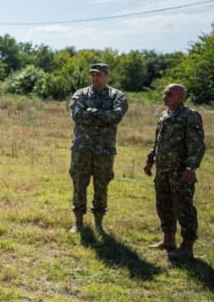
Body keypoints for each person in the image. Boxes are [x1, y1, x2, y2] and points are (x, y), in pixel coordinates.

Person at [143, 84, 205, 259]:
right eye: (164, 93)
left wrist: (191, 168)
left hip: (180, 172)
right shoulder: (164, 115)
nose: (165, 96)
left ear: (181, 98)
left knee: (184, 208)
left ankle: (187, 247)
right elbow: (158, 142)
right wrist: (150, 160)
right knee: (164, 206)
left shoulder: (190, 116)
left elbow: (197, 145)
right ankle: (168, 240)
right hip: (162, 171)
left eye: (169, 94)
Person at [68, 63, 128, 235]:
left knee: (101, 187)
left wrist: (92, 112)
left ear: (107, 75)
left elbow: (117, 116)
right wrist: (103, 115)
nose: (95, 78)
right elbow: (76, 115)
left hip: (105, 151)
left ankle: (99, 224)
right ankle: (78, 222)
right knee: (79, 184)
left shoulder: (117, 96)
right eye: (92, 75)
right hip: (82, 148)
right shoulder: (80, 94)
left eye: (98, 75)